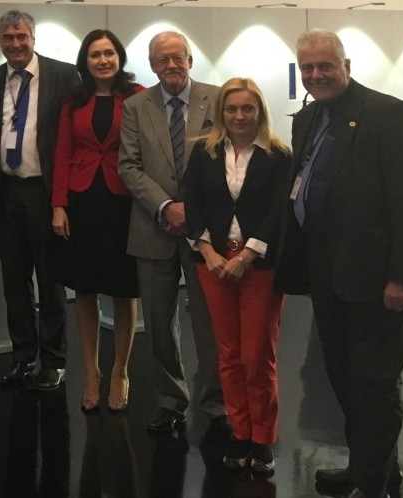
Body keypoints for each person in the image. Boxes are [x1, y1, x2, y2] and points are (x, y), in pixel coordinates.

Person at [274, 29, 403, 498]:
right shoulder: (307, 118)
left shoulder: (389, 114)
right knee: (344, 377)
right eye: (307, 68)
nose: (316, 74)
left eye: (325, 65)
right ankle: (373, 467)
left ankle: (371, 485)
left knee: (375, 383)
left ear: (346, 65)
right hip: (327, 271)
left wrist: (402, 276)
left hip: (379, 277)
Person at [117, 30, 227, 433]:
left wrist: (192, 212)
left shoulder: (218, 98)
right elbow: (128, 165)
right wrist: (166, 206)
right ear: (152, 66)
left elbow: (230, 158)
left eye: (178, 57)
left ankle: (217, 402)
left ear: (190, 60)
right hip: (154, 227)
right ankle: (171, 399)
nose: (171, 65)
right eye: (162, 60)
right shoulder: (135, 106)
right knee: (159, 325)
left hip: (208, 233)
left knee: (210, 322)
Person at [183, 77, 290, 478]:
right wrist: (207, 252)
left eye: (247, 108)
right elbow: (192, 202)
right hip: (212, 262)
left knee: (257, 355)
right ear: (220, 112)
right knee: (227, 354)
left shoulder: (278, 155)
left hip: (259, 264)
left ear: (259, 111)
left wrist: (248, 253)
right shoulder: (204, 152)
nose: (239, 116)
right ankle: (241, 432)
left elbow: (279, 211)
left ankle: (263, 438)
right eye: (231, 109)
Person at [0, 10, 79, 390]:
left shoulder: (63, 76)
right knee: (13, 281)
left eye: (21, 36)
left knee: (51, 282)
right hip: (5, 193)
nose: (15, 44)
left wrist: (64, 200)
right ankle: (23, 356)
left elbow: (74, 139)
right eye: (8, 38)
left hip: (46, 193)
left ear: (33, 38)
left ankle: (53, 360)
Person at [51, 29, 142, 412]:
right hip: (83, 200)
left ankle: (121, 370)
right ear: (84, 62)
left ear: (119, 57)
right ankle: (91, 370)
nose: (102, 60)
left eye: (108, 53)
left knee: (123, 289)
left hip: (124, 201)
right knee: (85, 288)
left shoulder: (137, 96)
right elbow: (62, 153)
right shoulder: (74, 101)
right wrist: (59, 205)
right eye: (94, 55)